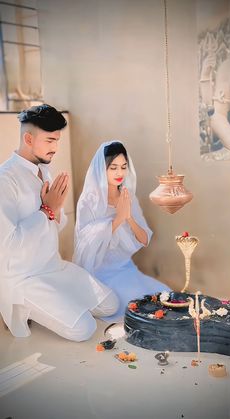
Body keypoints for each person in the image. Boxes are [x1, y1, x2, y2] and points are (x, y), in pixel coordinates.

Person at [0, 105, 119, 341]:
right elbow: (8, 246)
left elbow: (57, 225)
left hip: (53, 266)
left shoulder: (45, 170)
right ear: (28, 138)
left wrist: (55, 209)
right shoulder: (5, 180)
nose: (55, 148)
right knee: (84, 329)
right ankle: (29, 307)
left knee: (111, 305)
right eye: (50, 140)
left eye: (57, 140)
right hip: (24, 277)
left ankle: (61, 301)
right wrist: (46, 210)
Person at [73, 141, 171, 321]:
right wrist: (117, 219)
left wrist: (128, 217)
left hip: (126, 269)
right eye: (113, 168)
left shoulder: (128, 196)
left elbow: (144, 239)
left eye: (124, 167)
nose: (120, 173)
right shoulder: (89, 201)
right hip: (100, 274)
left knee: (165, 296)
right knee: (137, 309)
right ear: (102, 169)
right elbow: (84, 245)